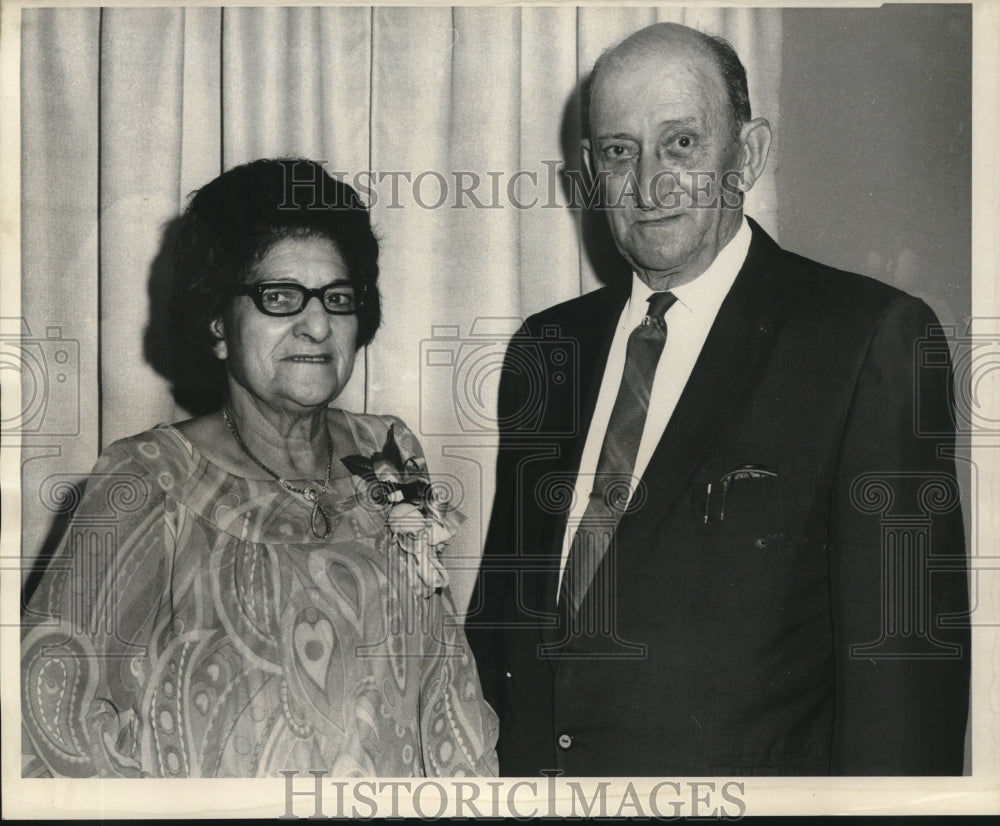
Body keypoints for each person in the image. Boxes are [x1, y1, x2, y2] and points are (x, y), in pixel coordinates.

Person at [467, 23, 969, 776]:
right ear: (591, 172)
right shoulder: (548, 350)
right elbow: (501, 629)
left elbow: (905, 683)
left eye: (680, 144)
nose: (647, 185)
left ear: (750, 153)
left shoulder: (867, 340)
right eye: (619, 151)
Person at [21, 158, 498, 778]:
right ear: (218, 322)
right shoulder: (145, 480)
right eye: (279, 297)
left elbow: (444, 678)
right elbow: (47, 717)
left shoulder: (389, 455)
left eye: (338, 297)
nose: (318, 324)